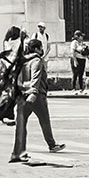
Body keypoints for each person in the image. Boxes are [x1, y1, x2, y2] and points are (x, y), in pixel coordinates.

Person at [10, 34, 65, 163]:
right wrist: (33, 92)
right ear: (37, 49)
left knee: (21, 125)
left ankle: (18, 151)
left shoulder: (22, 61)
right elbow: (36, 77)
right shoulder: (36, 61)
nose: (42, 50)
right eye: (41, 48)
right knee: (44, 120)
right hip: (36, 96)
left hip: (22, 95)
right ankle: (52, 145)